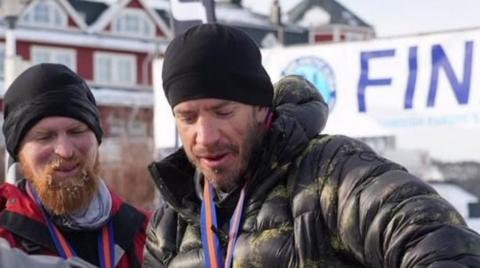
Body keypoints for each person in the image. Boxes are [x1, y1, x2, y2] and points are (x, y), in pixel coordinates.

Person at [143, 23, 480, 268]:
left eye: (223, 112)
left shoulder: (331, 174)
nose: (206, 136)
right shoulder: (169, 227)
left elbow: (446, 244)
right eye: (187, 117)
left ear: (261, 109)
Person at [0, 63, 149, 268]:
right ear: (19, 153)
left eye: (76, 131)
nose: (65, 151)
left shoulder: (148, 233)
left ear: (97, 139)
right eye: (45, 137)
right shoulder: (5, 237)